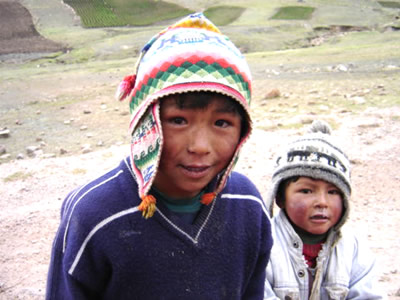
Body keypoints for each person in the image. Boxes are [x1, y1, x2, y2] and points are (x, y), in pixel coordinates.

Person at [46, 13, 273, 299]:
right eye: (179, 120)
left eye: (222, 123)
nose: (200, 146)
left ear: (243, 130)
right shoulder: (93, 215)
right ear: (145, 123)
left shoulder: (248, 205)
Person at [263, 120, 385, 299]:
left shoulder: (354, 250)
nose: (322, 202)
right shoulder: (263, 247)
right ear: (280, 197)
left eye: (333, 192)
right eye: (306, 190)